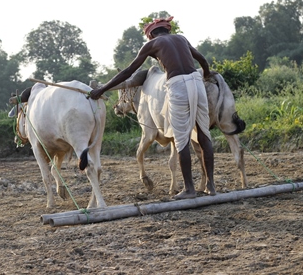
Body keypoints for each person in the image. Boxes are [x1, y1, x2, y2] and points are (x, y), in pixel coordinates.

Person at [89, 16, 216, 199]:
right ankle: (211, 186)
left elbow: (128, 72)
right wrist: (205, 75)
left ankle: (189, 189)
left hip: (177, 85)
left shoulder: (150, 45)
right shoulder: (181, 38)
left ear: (150, 35)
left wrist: (102, 89)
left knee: (181, 140)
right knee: (204, 134)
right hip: (197, 81)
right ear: (167, 30)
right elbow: (203, 60)